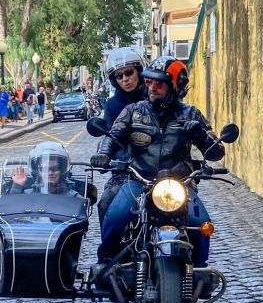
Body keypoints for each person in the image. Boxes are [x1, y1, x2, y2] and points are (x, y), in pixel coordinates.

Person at [90, 56, 225, 267]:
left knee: (201, 224)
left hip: (180, 183)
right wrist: (104, 155)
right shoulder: (133, 111)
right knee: (115, 216)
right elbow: (112, 136)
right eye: (149, 81)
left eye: (159, 82)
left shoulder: (190, 113)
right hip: (138, 181)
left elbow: (216, 152)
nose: (152, 87)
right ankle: (106, 262)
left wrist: (200, 134)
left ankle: (199, 270)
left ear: (175, 86)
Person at [93, 46, 148, 227]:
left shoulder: (155, 95)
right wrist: (106, 155)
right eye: (119, 76)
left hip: (162, 166)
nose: (125, 79)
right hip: (128, 170)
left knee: (193, 210)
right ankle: (107, 255)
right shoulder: (112, 106)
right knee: (106, 204)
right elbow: (111, 136)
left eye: (129, 72)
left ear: (139, 70)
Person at [9, 141, 79, 196]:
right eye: (44, 169)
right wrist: (17, 186)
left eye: (54, 169)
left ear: (62, 170)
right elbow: (10, 208)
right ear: (37, 171)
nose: (50, 173)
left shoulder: (74, 198)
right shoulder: (28, 195)